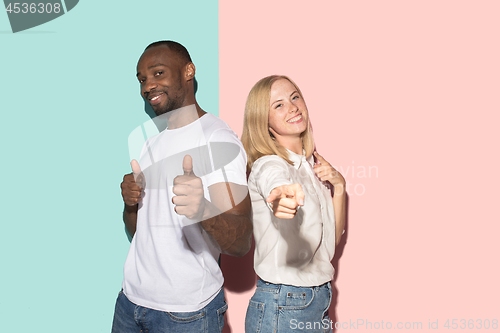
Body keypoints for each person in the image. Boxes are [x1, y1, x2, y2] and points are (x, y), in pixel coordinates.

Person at [112, 40, 252, 333]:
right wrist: (130, 203)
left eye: (158, 73)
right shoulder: (150, 144)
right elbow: (139, 232)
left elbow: (240, 242)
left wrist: (203, 209)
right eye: (142, 79)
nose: (147, 86)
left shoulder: (218, 141)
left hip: (185, 313)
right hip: (130, 303)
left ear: (189, 71)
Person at [241, 75, 346, 333]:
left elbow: (329, 245)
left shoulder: (311, 168)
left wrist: (340, 188)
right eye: (278, 105)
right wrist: (279, 196)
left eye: (295, 97)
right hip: (284, 302)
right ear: (262, 121)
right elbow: (273, 182)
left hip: (316, 300)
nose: (292, 107)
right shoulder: (269, 164)